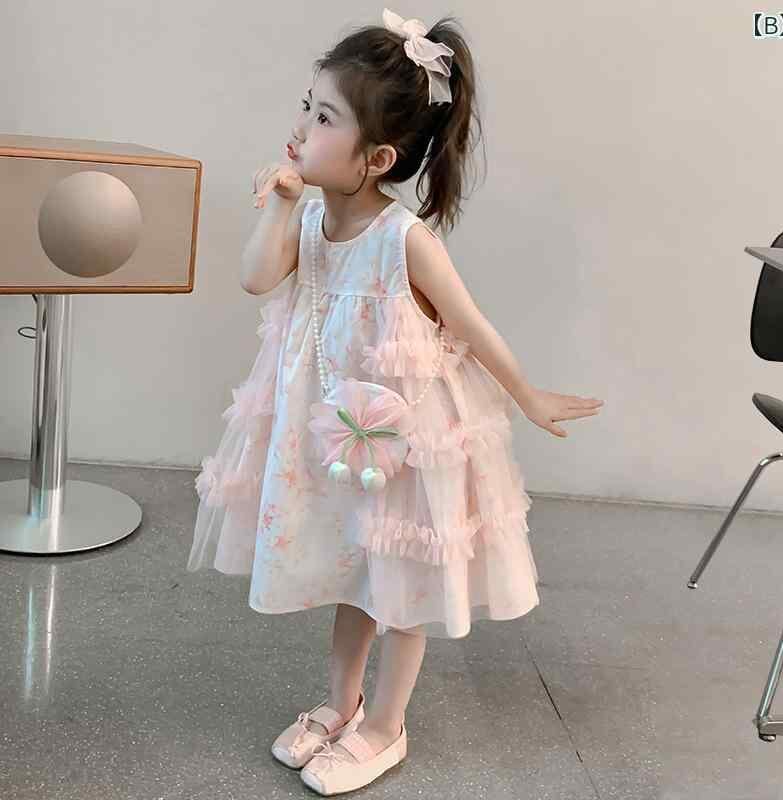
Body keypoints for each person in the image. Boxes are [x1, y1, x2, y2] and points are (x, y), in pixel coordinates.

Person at [188, 7, 604, 795]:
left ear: (377, 157)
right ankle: (341, 704)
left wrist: (527, 396)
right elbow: (255, 276)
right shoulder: (311, 217)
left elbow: (470, 324)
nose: (301, 128)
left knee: (400, 584)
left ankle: (386, 724)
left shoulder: (404, 239)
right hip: (331, 432)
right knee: (354, 570)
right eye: (306, 107)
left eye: (324, 118)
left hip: (401, 439)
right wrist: (280, 203)